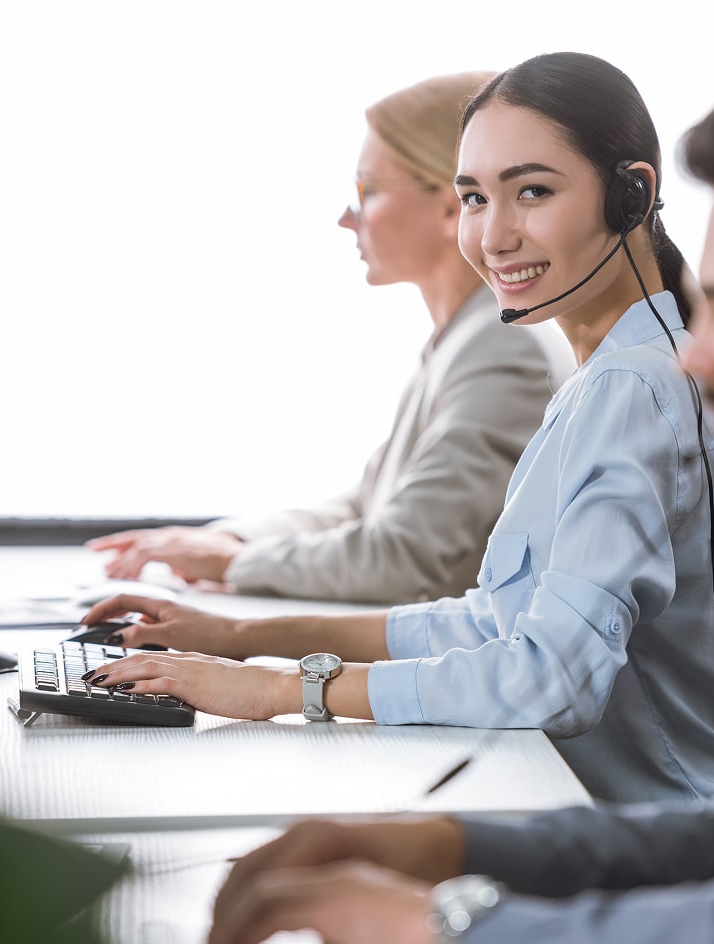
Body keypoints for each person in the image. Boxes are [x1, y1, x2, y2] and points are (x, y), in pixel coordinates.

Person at [195, 72, 714, 944]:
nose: (696, 350)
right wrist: (447, 844)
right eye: (474, 198)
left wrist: (447, 929)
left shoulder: (633, 389)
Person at [80, 52, 714, 806]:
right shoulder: (615, 374)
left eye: (532, 192)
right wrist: (244, 640)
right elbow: (491, 621)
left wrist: (281, 691)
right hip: (617, 817)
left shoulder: (633, 389)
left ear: (631, 195)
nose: (495, 235)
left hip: (672, 842)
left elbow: (553, 677)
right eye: (474, 198)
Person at [86, 71, 573, 606]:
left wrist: (234, 563)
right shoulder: (461, 339)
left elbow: (405, 558)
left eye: (368, 190)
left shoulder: (503, 349)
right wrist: (229, 539)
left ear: (449, 205)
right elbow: (363, 508)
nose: (347, 216)